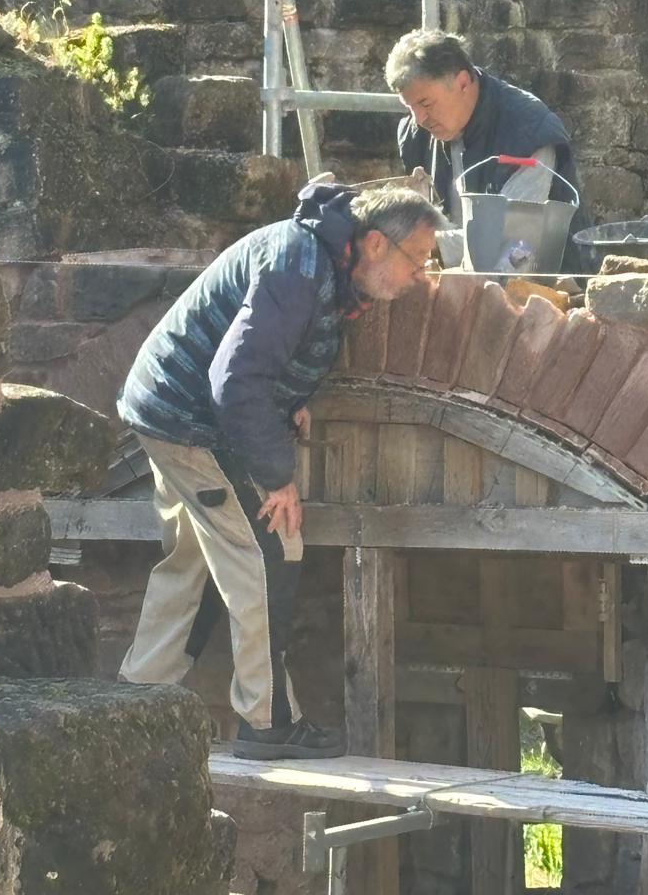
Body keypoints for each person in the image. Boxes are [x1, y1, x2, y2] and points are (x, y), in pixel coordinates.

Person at [117, 181, 445, 761]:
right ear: (374, 244)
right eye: (416, 259)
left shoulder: (324, 259)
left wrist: (291, 397)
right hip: (191, 419)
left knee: (196, 562)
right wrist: (276, 477)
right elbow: (236, 381)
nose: (421, 275)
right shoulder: (298, 266)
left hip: (167, 407)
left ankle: (134, 703)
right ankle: (267, 721)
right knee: (270, 548)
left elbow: (268, 352)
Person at [385, 28, 591, 272]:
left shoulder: (528, 131)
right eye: (410, 107)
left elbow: (515, 250)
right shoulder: (416, 134)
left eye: (425, 103)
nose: (419, 119)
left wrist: (425, 243)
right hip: (456, 280)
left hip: (547, 285)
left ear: (463, 82)